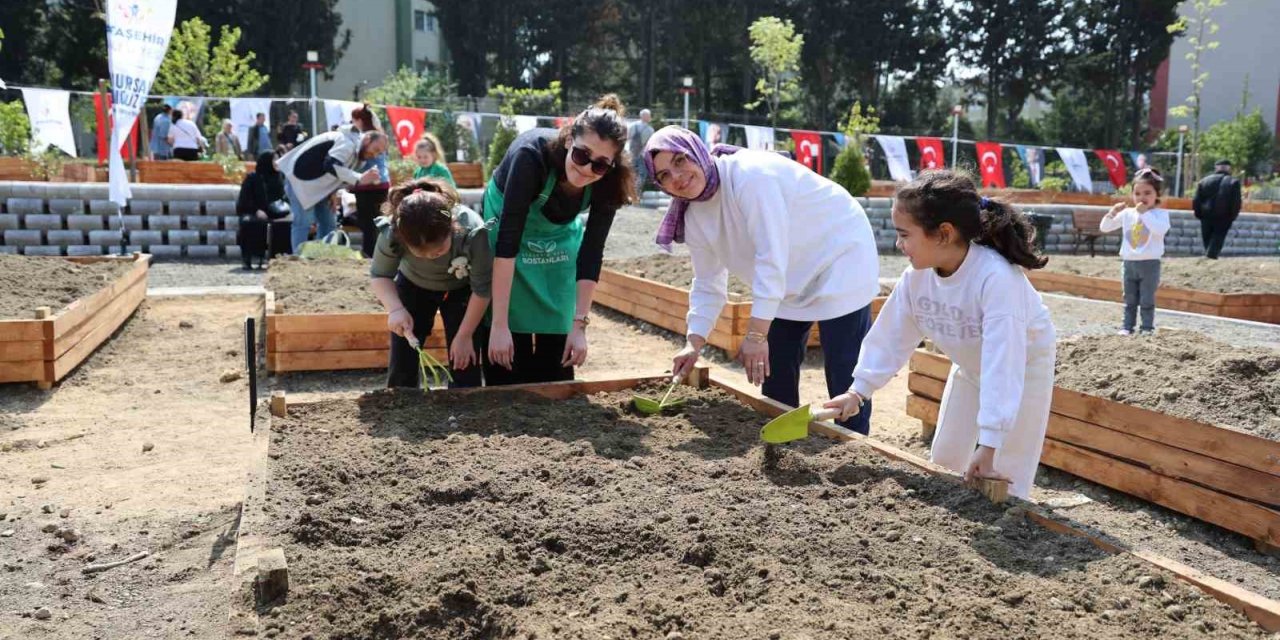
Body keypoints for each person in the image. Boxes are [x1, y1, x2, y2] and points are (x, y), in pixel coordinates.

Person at [824, 170, 1054, 499]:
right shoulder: (916, 278)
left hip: (1023, 368)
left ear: (943, 234)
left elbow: (1003, 364)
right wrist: (857, 392)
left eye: (905, 235)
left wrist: (989, 443)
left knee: (1006, 474)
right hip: (971, 367)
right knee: (945, 458)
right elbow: (891, 336)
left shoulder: (996, 279)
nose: (899, 245)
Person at [646, 127, 881, 434]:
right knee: (775, 372)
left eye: (680, 160)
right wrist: (693, 343)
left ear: (698, 152)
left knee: (844, 370)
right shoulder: (693, 217)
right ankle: (782, 445)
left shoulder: (750, 176)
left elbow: (771, 258)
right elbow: (707, 283)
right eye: (664, 175)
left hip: (839, 255)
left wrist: (756, 336)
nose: (676, 177)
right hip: (786, 276)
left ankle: (854, 449)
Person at [482, 94, 636, 385]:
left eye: (600, 165)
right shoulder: (530, 157)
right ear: (568, 141)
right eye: (581, 155)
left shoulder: (610, 183)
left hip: (557, 231)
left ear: (611, 165)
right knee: (509, 344)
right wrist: (499, 326)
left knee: (558, 317)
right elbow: (507, 244)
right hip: (506, 223)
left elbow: (591, 253)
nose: (587, 168)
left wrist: (579, 327)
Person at [371, 178, 493, 389]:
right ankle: (402, 400)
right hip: (413, 285)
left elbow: (482, 289)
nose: (430, 256)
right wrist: (396, 309)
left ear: (451, 228)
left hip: (462, 290)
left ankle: (465, 401)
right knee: (403, 356)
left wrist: (464, 336)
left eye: (438, 250)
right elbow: (380, 275)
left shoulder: (472, 231)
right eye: (421, 253)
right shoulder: (393, 231)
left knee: (464, 358)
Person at [275, 125, 388, 252]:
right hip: (299, 182)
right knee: (303, 222)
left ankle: (323, 256)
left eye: (379, 153)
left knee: (328, 223)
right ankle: (298, 258)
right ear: (367, 139)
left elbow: (339, 174)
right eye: (375, 149)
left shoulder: (360, 157)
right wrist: (359, 178)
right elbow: (331, 164)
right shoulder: (347, 143)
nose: (375, 155)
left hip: (321, 189)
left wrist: (333, 192)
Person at [1100, 167, 1170, 335]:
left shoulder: (1160, 214)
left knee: (1147, 298)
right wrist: (1112, 212)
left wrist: (1144, 214)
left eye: (1147, 193)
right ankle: (1127, 326)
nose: (1141, 197)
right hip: (1129, 263)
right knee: (1129, 298)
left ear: (1157, 194)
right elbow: (1105, 227)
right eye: (1137, 193)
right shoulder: (1127, 213)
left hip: (1150, 264)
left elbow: (1160, 230)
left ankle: (1146, 328)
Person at [235, 150, 289, 270]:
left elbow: (284, 197)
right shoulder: (253, 178)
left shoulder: (279, 177)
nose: (277, 162)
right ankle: (250, 257)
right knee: (250, 223)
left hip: (276, 212)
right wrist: (256, 210)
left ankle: (279, 258)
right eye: (274, 159)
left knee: (284, 225)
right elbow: (244, 200)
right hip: (254, 211)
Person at [348, 104, 390, 258]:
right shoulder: (381, 137)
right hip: (383, 185)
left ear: (359, 120)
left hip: (367, 186)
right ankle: (382, 254)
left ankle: (369, 255)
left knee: (367, 224)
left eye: (353, 120)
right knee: (380, 222)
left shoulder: (364, 139)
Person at [1192, 159, 1242, 259]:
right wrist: (1233, 215)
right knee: (1219, 236)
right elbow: (1236, 201)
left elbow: (1196, 199)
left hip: (1206, 214)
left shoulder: (1204, 181)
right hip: (1224, 215)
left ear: (1216, 168)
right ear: (1229, 168)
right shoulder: (1233, 182)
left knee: (1207, 236)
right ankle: (1211, 255)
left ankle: (1208, 255)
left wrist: (1198, 213)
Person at [628, 109, 654, 190]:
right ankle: (637, 190)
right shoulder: (650, 130)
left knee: (630, 172)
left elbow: (628, 138)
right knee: (642, 173)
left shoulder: (632, 126)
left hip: (631, 153)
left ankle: (629, 189)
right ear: (647, 117)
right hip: (642, 155)